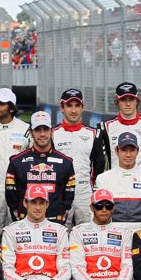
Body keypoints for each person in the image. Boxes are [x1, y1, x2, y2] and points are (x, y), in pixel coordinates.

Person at [1, 184, 71, 280]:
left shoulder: (60, 231)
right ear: (25, 203)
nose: (38, 207)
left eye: (41, 203)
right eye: (33, 202)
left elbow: (66, 268)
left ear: (47, 204)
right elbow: (6, 269)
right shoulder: (11, 231)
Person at [5, 111, 75, 224]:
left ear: (52, 131)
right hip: (25, 222)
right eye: (38, 130)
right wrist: (18, 215)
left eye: (46, 129)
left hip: (54, 222)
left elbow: (69, 194)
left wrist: (62, 213)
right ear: (31, 133)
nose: (42, 134)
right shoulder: (16, 161)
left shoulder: (66, 162)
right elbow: (11, 194)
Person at [0, 87, 30, 236]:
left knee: (19, 235)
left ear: (11, 107)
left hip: (19, 191)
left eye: (1, 104)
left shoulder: (26, 129)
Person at [52, 88, 104, 226]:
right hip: (60, 192)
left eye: (77, 105)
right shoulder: (53, 134)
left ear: (83, 107)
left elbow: (99, 166)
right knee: (59, 234)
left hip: (85, 192)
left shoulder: (94, 134)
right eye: (69, 105)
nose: (73, 110)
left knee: (88, 234)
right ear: (62, 108)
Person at [94, 132, 141, 234]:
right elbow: (95, 212)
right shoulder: (103, 179)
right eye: (124, 150)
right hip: (112, 234)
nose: (128, 155)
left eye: (132, 150)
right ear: (117, 151)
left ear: (137, 151)